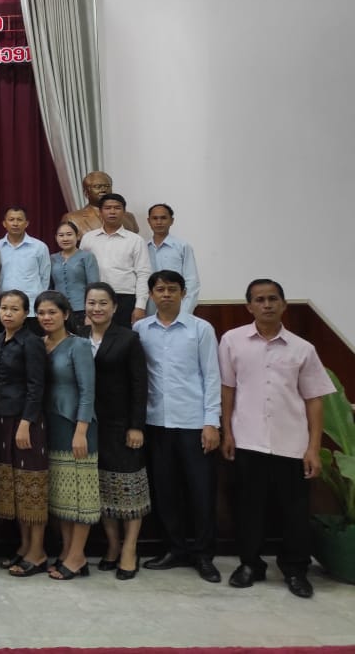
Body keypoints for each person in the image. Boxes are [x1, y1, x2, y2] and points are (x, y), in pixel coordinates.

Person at [220, 279, 335, 599]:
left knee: (294, 511)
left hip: (291, 443)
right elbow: (227, 389)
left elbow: (314, 400)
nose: (267, 304)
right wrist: (227, 431)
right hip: (247, 439)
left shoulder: (302, 349)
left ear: (284, 304)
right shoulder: (232, 341)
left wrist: (313, 448)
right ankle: (250, 564)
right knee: (248, 508)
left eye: (273, 299)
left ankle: (295, 569)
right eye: (259, 300)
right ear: (249, 307)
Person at [135, 270, 222, 584]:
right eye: (160, 289)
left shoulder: (200, 329)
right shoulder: (141, 329)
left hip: (193, 423)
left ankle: (203, 554)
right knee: (165, 491)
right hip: (156, 422)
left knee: (200, 491)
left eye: (172, 289)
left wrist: (211, 422)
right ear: (151, 295)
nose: (166, 294)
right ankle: (174, 548)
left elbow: (212, 376)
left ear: (183, 293)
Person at [83, 282, 150, 581]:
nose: (96, 308)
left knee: (129, 489)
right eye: (91, 302)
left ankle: (130, 549)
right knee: (103, 489)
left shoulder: (128, 339)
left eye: (102, 303)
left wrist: (136, 426)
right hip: (90, 425)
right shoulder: (78, 337)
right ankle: (112, 545)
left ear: (114, 307)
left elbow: (139, 385)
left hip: (122, 426)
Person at [34, 290, 99, 581]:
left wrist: (81, 430)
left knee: (81, 495)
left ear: (66, 314)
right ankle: (68, 552)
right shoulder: (39, 344)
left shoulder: (79, 345)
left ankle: (77, 555)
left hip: (76, 427)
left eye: (52, 312)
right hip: (49, 426)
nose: (46, 317)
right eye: (41, 313)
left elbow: (88, 391)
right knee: (62, 496)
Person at [0, 289, 50, 577]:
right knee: (13, 487)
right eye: (4, 308)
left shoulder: (32, 342)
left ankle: (38, 552)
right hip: (2, 420)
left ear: (26, 313)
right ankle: (24, 547)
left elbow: (37, 386)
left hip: (26, 423)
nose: (8, 313)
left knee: (31, 487)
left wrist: (26, 421)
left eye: (15, 309)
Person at [80, 194, 152, 327]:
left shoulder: (136, 240)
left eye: (117, 208)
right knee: (95, 337)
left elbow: (143, 273)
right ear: (100, 212)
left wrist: (140, 306)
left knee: (123, 337)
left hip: (125, 297)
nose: (112, 212)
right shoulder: (88, 238)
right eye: (108, 208)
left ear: (124, 212)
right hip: (95, 297)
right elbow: (81, 270)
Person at [146, 203, 201, 313]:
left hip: (177, 308)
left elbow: (192, 282)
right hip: (148, 309)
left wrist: (184, 312)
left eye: (163, 218)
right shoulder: (142, 247)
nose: (159, 222)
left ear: (171, 221)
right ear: (149, 221)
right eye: (155, 218)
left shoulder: (183, 247)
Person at [0, 207, 51, 317]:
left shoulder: (39, 247)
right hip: (4, 307)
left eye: (19, 220)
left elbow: (45, 277)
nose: (15, 223)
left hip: (31, 307)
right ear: (4, 223)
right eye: (11, 220)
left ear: (26, 223)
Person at [50, 221, 99, 332]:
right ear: (56, 238)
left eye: (69, 234)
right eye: (61, 235)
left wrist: (90, 313)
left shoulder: (87, 257)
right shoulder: (52, 258)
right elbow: (50, 286)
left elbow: (94, 287)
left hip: (81, 310)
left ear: (77, 236)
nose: (65, 238)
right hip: (58, 310)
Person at [61, 171, 139, 236]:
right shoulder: (72, 218)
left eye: (107, 186)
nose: (103, 190)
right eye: (97, 186)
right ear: (86, 193)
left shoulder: (129, 217)